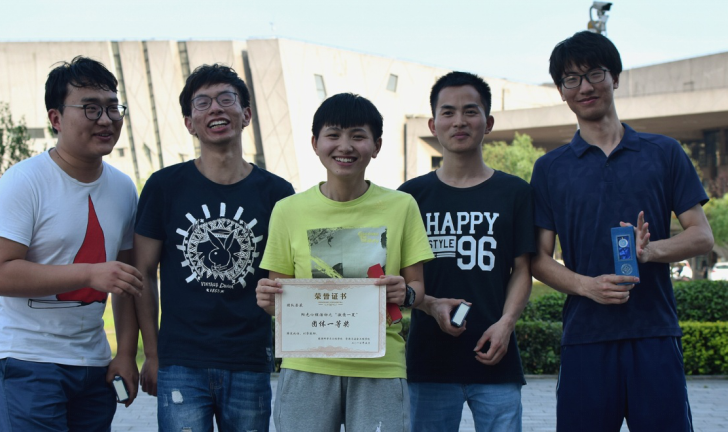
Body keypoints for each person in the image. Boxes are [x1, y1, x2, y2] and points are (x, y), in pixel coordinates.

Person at [530, 31, 714, 432]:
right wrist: (587, 286)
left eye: (594, 73)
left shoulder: (663, 152)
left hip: (655, 333)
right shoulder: (550, 168)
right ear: (561, 92)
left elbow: (702, 235)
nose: (585, 87)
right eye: (571, 79)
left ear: (615, 77)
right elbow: (538, 259)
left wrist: (651, 251)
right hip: (585, 337)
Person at [255, 93, 434, 432]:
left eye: (358, 135)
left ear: (376, 145)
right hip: (307, 363)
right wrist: (268, 299)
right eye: (333, 134)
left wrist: (406, 293)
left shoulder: (402, 206)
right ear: (315, 143)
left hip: (380, 366)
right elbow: (278, 300)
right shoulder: (288, 210)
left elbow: (417, 288)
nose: (345, 146)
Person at [0, 56, 142, 431]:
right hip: (25, 357)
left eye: (113, 107)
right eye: (90, 108)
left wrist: (125, 353)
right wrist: (89, 273)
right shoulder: (23, 182)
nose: (106, 120)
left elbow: (126, 280)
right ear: (55, 118)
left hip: (92, 362)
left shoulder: (123, 188)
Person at [133, 64, 294, 432]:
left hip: (249, 359)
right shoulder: (164, 186)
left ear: (246, 114)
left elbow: (287, 281)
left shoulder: (278, 193)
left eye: (226, 99)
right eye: (202, 103)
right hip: (181, 361)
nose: (216, 109)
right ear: (189, 123)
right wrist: (152, 354)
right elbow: (142, 273)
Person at [398, 71, 535, 432]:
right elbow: (399, 279)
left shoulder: (515, 192)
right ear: (433, 125)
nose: (459, 121)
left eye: (470, 111)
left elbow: (523, 268)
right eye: (448, 112)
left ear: (488, 123)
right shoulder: (409, 196)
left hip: (496, 359)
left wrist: (506, 324)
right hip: (428, 364)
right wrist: (430, 305)